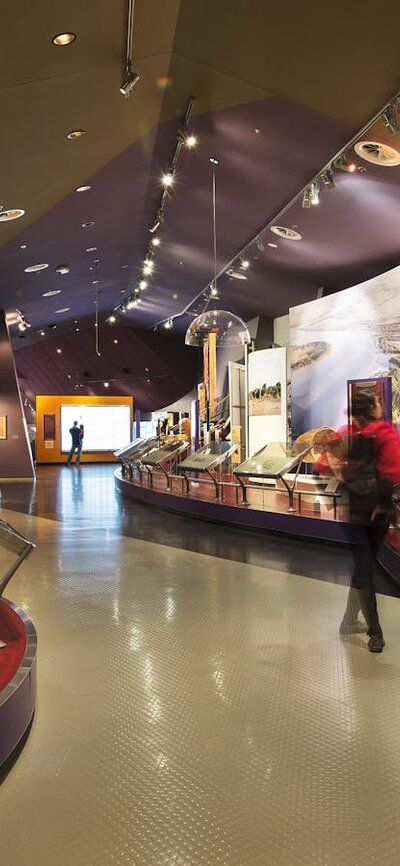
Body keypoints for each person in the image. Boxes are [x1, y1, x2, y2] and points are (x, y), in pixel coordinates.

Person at [323, 391, 400, 652]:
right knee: (365, 568)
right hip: (377, 513)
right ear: (372, 407)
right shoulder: (384, 433)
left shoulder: (343, 433)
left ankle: (348, 621)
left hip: (351, 512)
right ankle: (375, 633)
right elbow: (394, 470)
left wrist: (343, 473)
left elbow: (322, 465)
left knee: (362, 566)